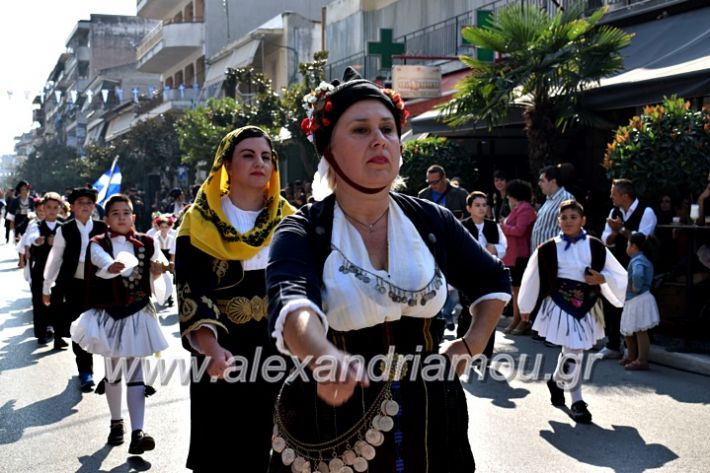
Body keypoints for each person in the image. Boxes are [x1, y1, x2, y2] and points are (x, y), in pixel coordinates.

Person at [268, 68, 511, 472]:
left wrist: (470, 344)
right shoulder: (303, 230)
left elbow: (492, 280)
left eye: (387, 129)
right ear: (328, 150)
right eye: (360, 130)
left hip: (433, 416)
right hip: (332, 415)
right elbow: (293, 305)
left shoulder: (431, 220)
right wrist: (323, 354)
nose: (379, 139)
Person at [174, 126, 296, 472]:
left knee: (285, 447)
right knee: (226, 450)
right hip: (222, 350)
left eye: (266, 157)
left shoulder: (289, 219)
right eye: (248, 155)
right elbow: (191, 289)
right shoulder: (199, 222)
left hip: (281, 348)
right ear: (227, 164)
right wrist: (211, 348)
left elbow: (305, 284)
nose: (259, 162)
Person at [71, 194, 171, 455]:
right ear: (106, 219)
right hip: (110, 316)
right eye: (115, 213)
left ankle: (138, 432)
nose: (121, 217)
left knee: (137, 374)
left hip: (137, 313)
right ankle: (116, 423)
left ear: (134, 217)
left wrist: (158, 271)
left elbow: (156, 275)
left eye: (126, 213)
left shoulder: (148, 243)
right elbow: (101, 262)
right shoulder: (97, 244)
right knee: (113, 372)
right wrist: (112, 265)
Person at [518, 200, 627, 423]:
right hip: (559, 302)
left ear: (583, 220)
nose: (568, 221)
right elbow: (532, 277)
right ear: (558, 221)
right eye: (564, 217)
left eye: (573, 217)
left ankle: (557, 380)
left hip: (586, 303)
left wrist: (601, 278)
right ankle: (577, 400)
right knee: (574, 349)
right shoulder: (548, 248)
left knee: (574, 349)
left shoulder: (596, 246)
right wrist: (526, 306)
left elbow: (618, 273)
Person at [42, 187, 107, 391]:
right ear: (73, 206)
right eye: (80, 203)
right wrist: (47, 285)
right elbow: (55, 258)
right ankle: (85, 371)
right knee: (80, 328)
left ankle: (109, 371)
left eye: (89, 203)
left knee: (104, 327)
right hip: (73, 285)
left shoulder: (102, 227)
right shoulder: (65, 229)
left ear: (94, 206)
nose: (85, 206)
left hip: (98, 284)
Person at [598, 178, 657, 359]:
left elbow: (642, 241)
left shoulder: (646, 212)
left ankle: (635, 352)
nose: (611, 197)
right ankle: (613, 344)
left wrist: (622, 229)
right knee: (612, 302)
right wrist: (615, 233)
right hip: (617, 266)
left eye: (614, 194)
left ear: (625, 195)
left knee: (634, 307)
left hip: (637, 268)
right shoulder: (614, 211)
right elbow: (605, 240)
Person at [458, 191, 507, 362]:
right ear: (469, 208)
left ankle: (485, 353)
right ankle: (463, 349)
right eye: (477, 205)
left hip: (488, 273)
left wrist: (496, 249)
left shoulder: (493, 226)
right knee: (468, 310)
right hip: (468, 274)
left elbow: (503, 246)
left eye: (484, 205)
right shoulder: (461, 226)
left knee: (488, 311)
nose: (481, 209)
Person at [26, 193, 65, 347]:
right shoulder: (36, 226)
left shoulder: (63, 227)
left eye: (55, 208)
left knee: (58, 303)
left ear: (60, 209)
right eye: (48, 207)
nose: (52, 211)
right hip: (40, 270)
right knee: (39, 301)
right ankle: (41, 333)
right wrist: (38, 241)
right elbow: (31, 238)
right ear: (43, 207)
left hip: (58, 270)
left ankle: (58, 336)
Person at [500, 179, 537, 335]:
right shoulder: (519, 208)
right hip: (513, 255)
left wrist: (503, 226)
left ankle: (523, 320)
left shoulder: (525, 209)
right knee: (516, 290)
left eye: (509, 196)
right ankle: (517, 319)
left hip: (520, 255)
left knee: (520, 290)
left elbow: (519, 230)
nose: (508, 198)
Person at [620, 232, 660, 370]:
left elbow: (638, 273)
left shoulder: (638, 260)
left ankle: (641, 359)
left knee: (640, 330)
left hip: (639, 299)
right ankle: (631, 356)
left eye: (628, 244)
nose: (627, 247)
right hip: (633, 300)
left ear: (634, 246)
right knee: (628, 330)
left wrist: (636, 287)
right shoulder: (640, 258)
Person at [531, 164, 575, 251]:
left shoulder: (566, 198)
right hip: (541, 255)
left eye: (542, 181)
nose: (539, 184)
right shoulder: (549, 199)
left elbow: (571, 228)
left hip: (554, 255)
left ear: (553, 181)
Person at [6, 180, 35, 265]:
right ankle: (21, 258)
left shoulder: (32, 200)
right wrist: (11, 223)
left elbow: (36, 211)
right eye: (22, 189)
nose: (25, 191)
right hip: (18, 223)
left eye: (26, 189)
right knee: (19, 240)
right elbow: (11, 212)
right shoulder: (15, 201)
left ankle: (26, 257)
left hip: (29, 222)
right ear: (19, 191)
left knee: (29, 240)